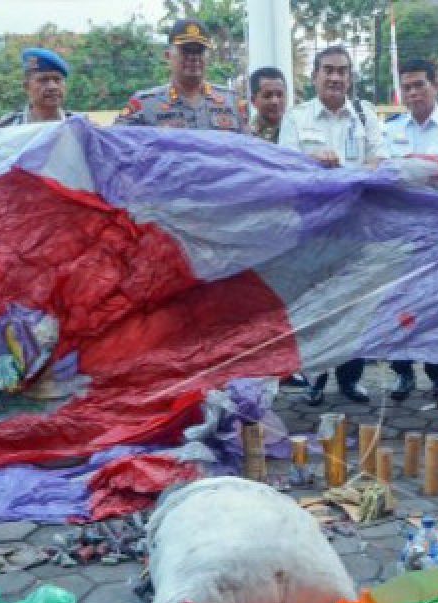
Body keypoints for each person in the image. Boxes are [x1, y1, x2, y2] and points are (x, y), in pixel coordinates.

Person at [280, 44, 387, 405]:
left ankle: (350, 378)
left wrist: (358, 171)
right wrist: (314, 161)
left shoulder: (365, 114)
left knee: (357, 304)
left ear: (350, 77)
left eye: (343, 71)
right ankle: (314, 377)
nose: (336, 77)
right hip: (314, 230)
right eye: (328, 70)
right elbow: (285, 168)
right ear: (315, 76)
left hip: (356, 228)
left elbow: (380, 161)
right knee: (315, 303)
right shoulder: (297, 118)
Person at [382, 58, 438, 404]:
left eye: (420, 84)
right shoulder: (389, 131)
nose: (414, 92)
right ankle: (402, 373)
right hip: (400, 233)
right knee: (399, 303)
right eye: (407, 86)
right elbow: (385, 175)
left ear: (436, 85)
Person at [115, 19, 248, 133]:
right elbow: (115, 145)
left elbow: (251, 150)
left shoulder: (232, 103)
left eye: (199, 51)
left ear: (208, 57)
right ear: (168, 56)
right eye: (186, 50)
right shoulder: (144, 105)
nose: (193, 57)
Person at [0, 48, 69, 126]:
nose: (53, 87)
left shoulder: (79, 126)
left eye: (57, 80)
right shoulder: (8, 126)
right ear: (26, 87)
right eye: (43, 80)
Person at [249, 66, 287, 143]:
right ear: (253, 101)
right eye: (267, 95)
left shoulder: (298, 130)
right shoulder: (245, 135)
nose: (275, 101)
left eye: (280, 95)